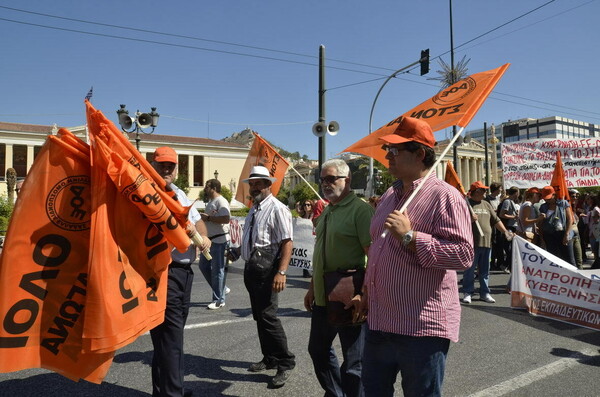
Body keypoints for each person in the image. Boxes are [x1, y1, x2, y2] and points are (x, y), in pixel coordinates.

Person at [358, 117, 474, 397]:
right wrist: (366, 291)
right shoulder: (389, 194)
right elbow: (378, 248)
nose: (388, 156)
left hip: (419, 328)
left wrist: (411, 237)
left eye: (395, 151)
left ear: (420, 154)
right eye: (388, 149)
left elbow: (463, 255)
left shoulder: (445, 196)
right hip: (379, 320)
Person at [304, 159, 374, 397]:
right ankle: (336, 393)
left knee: (354, 362)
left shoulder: (361, 210)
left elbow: (373, 258)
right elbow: (320, 251)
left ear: (347, 180)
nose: (325, 183)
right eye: (323, 179)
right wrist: (313, 286)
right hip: (324, 296)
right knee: (318, 350)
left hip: (349, 296)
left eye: (331, 178)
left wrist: (363, 294)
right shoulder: (327, 210)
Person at [149, 146, 211, 397]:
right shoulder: (149, 194)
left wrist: (203, 236)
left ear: (176, 168)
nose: (166, 169)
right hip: (165, 272)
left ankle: (163, 391)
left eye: (170, 165)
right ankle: (173, 393)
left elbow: (196, 220)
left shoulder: (179, 193)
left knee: (167, 340)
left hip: (184, 274)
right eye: (162, 164)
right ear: (153, 165)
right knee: (171, 340)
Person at [241, 165, 296, 388]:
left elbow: (287, 242)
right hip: (252, 270)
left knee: (268, 317)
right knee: (260, 317)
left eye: (258, 183)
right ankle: (270, 358)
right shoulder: (255, 208)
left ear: (267, 184)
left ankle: (285, 362)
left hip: (268, 271)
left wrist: (281, 272)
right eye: (251, 184)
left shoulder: (277, 208)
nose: (254, 187)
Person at [462, 181, 513, 304]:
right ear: (478, 191)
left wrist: (505, 231)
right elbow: (458, 223)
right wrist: (469, 219)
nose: (486, 192)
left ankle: (484, 293)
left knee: (485, 270)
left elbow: (496, 220)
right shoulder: (465, 204)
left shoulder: (486, 204)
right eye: (484, 190)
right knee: (469, 270)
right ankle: (468, 292)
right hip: (471, 243)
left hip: (486, 243)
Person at [199, 178, 231, 309]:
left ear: (214, 188)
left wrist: (208, 218)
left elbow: (226, 218)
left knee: (217, 270)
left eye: (207, 186)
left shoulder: (221, 201)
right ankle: (222, 288)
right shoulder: (211, 202)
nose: (205, 189)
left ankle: (219, 300)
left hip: (219, 240)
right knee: (203, 266)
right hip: (210, 241)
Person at [539, 186, 574, 265]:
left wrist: (566, 234)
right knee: (554, 261)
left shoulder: (563, 203)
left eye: (548, 198)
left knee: (569, 260)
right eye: (545, 198)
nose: (546, 200)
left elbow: (569, 219)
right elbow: (541, 224)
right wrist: (542, 239)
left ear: (554, 195)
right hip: (549, 236)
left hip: (563, 234)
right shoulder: (543, 207)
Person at [498, 186, 520, 273]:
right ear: (515, 193)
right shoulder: (507, 202)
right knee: (509, 248)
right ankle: (506, 265)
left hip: (513, 227)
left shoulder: (512, 202)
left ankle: (507, 265)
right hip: (508, 227)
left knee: (512, 247)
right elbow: (502, 214)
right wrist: (514, 216)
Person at [485, 182, 504, 270]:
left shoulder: (498, 199)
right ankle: (491, 262)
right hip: (491, 223)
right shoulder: (487, 198)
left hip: (498, 222)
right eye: (500, 188)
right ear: (496, 189)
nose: (501, 190)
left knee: (499, 242)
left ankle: (499, 262)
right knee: (493, 242)